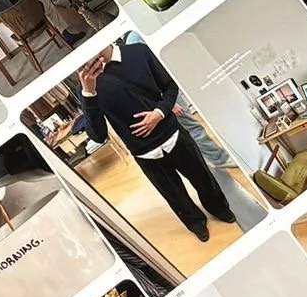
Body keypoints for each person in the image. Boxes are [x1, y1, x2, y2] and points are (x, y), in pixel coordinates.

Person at [76, 41, 237, 243]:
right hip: (145, 153)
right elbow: (98, 136)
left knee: (203, 179)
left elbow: (170, 86)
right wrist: (88, 93)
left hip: (173, 134)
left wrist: (159, 113)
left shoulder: (138, 52)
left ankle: (219, 208)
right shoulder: (85, 86)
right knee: (174, 195)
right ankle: (195, 222)